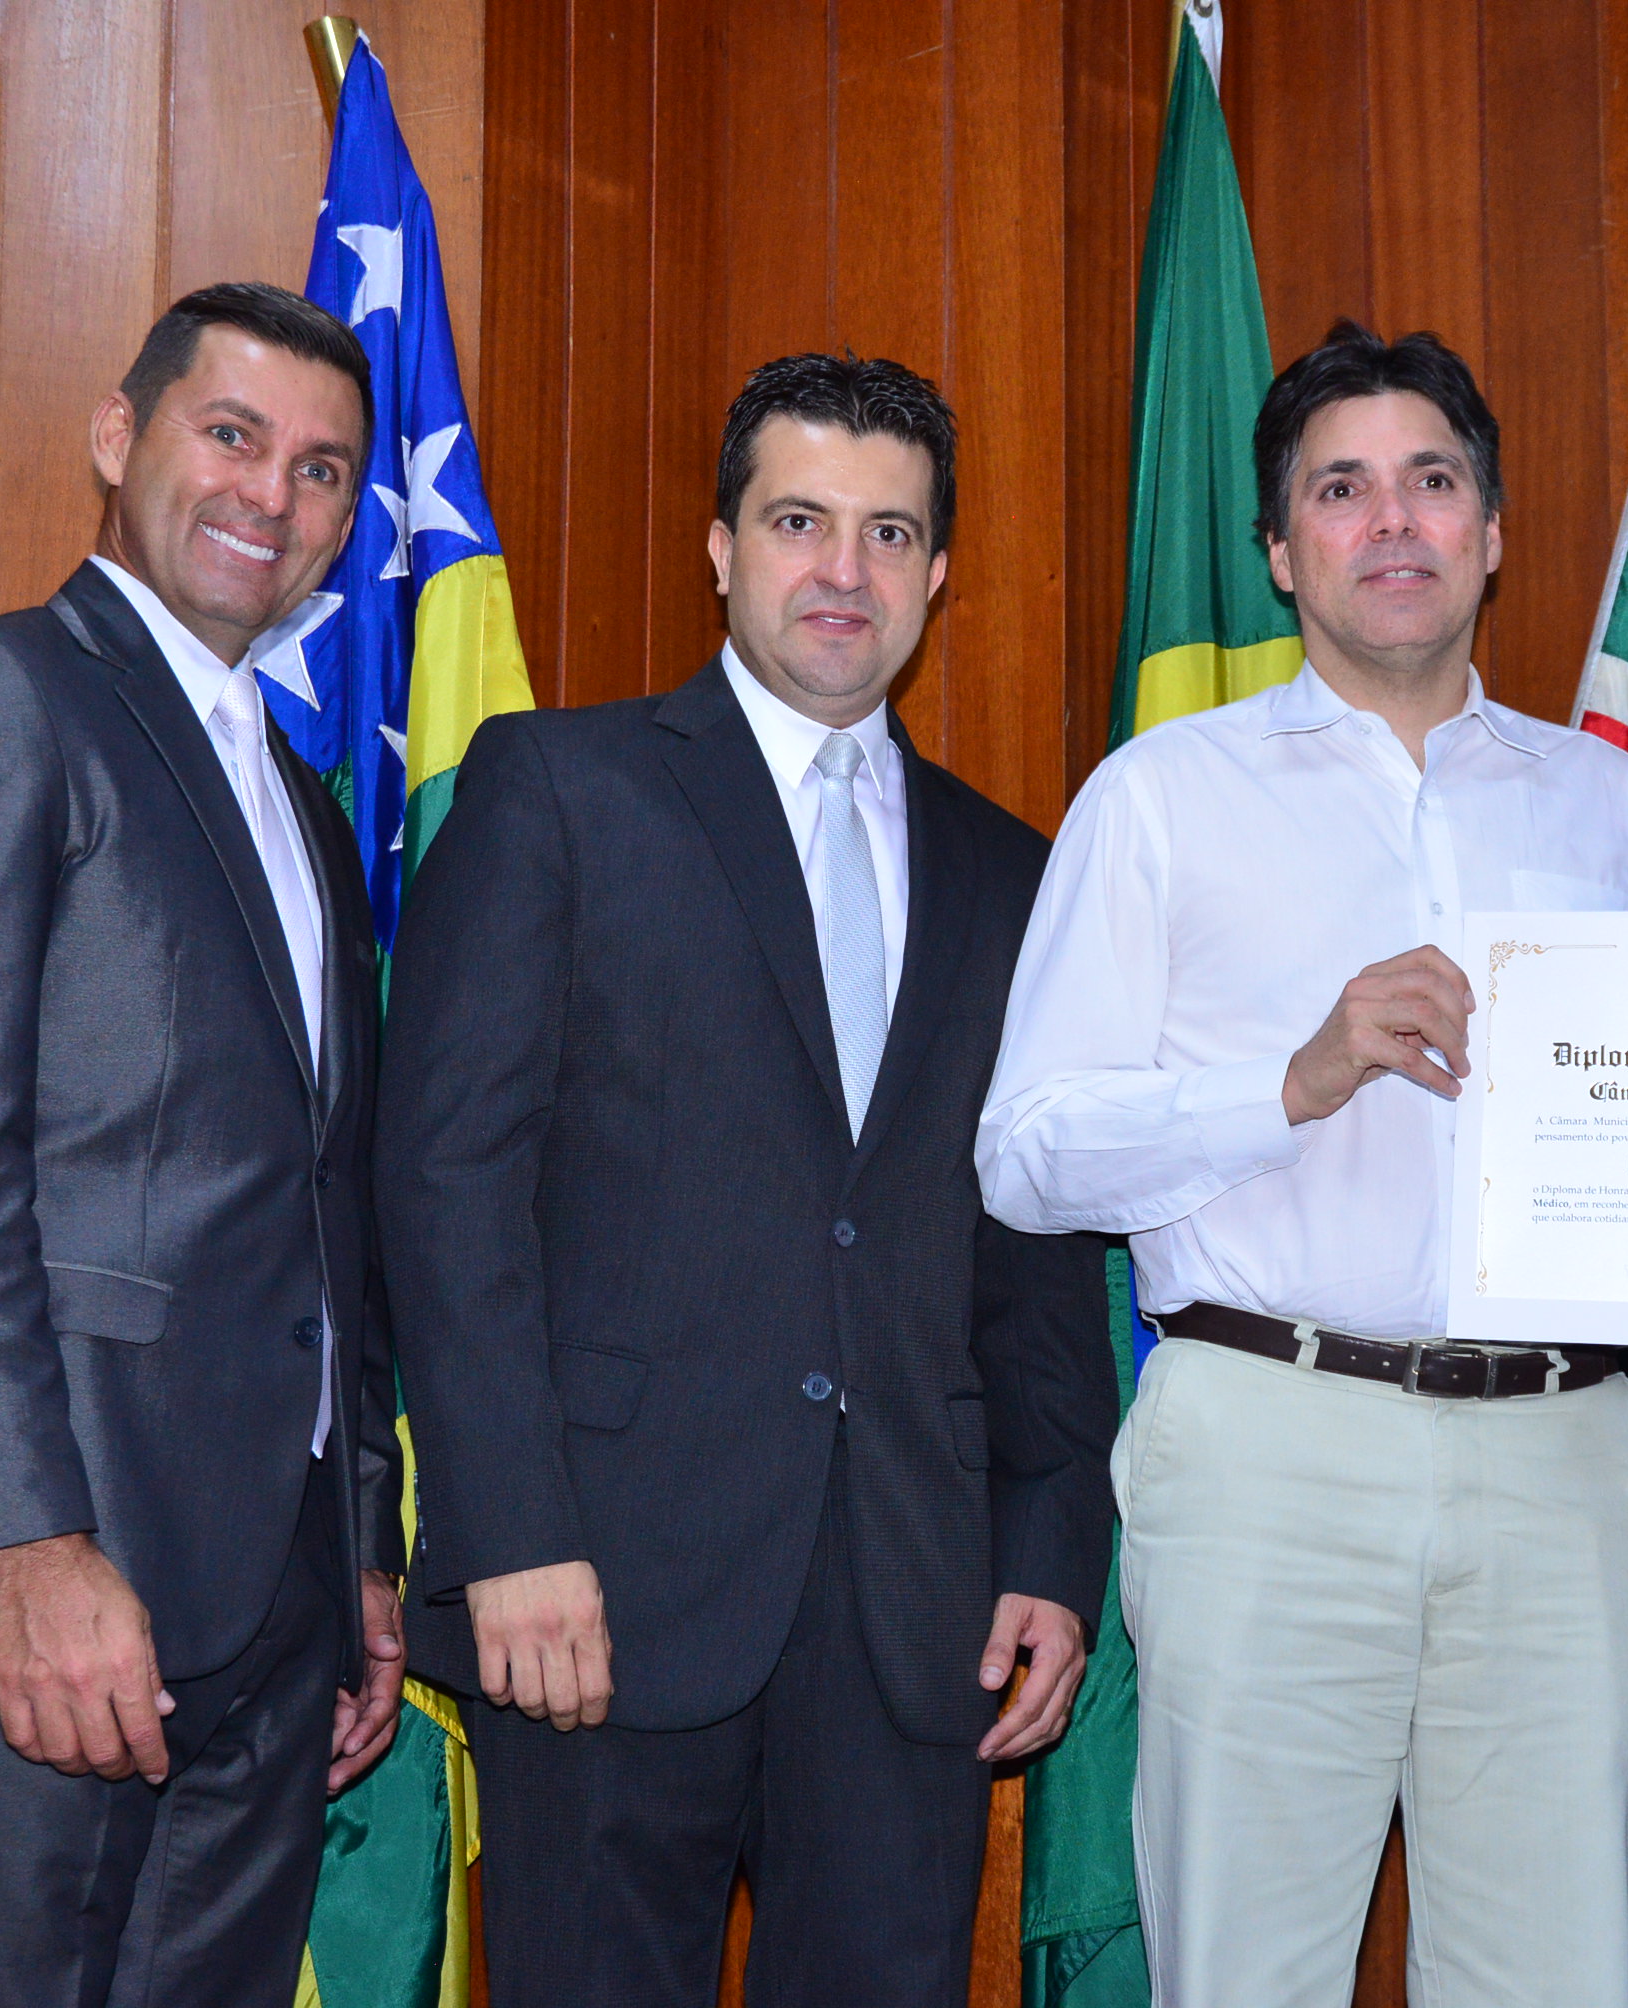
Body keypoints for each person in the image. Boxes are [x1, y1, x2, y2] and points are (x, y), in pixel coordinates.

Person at [377, 352, 1117, 2008]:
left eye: (888, 533)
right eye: (799, 521)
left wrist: (1051, 1554)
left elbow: (1039, 1246)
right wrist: (509, 1535)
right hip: (596, 1596)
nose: (843, 570)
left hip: (914, 1611)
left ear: (938, 572)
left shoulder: (1013, 870)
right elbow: (446, 1187)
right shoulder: (557, 788)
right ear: (721, 548)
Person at [979, 321, 1628, 2007]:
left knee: (1554, 1981)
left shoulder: (1615, 814)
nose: (1392, 521)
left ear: (1492, 532)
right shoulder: (1160, 798)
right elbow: (1026, 1158)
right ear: (1279, 549)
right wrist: (1292, 1082)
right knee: (1246, 1975)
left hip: (1571, 1456)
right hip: (1268, 1446)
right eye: (1341, 488)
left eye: (1432, 482)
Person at [0, 283, 410, 2007]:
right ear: (119, 437)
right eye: (231, 435)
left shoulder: (306, 807)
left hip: (276, 1608)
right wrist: (27, 1546)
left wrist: (359, 1553)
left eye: (323, 469)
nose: (273, 493)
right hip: (41, 1566)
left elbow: (329, 1206)